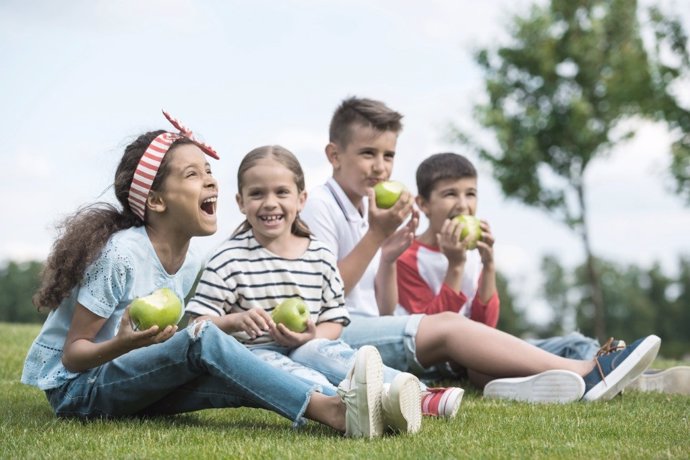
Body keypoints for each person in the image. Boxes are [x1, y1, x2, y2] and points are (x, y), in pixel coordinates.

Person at [20, 111, 393, 438]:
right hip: (79, 390)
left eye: (210, 171)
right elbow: (73, 357)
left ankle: (363, 402)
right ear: (156, 200)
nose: (211, 181)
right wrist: (125, 343)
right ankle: (332, 411)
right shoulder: (121, 255)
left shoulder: (192, 257)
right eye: (193, 174)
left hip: (127, 380)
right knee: (203, 339)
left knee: (233, 364)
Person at [299, 95, 662, 403]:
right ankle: (588, 371)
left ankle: (602, 370)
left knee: (509, 338)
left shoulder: (368, 208)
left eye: (388, 155)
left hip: (368, 325)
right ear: (334, 154)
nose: (380, 167)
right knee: (451, 328)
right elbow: (323, 298)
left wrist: (387, 256)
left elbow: (382, 309)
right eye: (367, 154)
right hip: (334, 334)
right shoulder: (320, 205)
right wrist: (377, 238)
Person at [397, 151, 690, 396]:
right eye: (450, 194)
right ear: (423, 204)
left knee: (574, 343)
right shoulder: (409, 258)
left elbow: (487, 324)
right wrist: (456, 266)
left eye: (470, 193)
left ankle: (631, 376)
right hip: (449, 363)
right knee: (481, 367)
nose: (463, 204)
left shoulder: (471, 253)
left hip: (477, 346)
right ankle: (564, 380)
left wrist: (488, 266)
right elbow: (429, 332)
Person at [185, 145, 422, 433]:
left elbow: (334, 319)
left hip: (307, 344)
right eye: (257, 193)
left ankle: (418, 395)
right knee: (276, 365)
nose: (270, 202)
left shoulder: (319, 256)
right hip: (254, 353)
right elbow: (196, 326)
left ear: (301, 199)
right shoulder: (227, 259)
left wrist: (311, 335)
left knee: (323, 351)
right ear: (241, 202)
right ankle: (350, 404)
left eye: (281, 193)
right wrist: (232, 320)